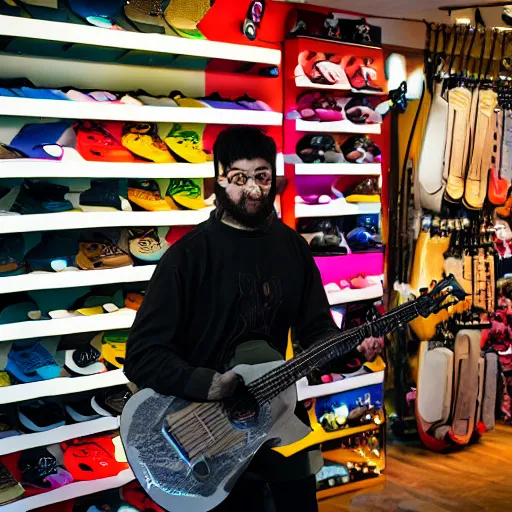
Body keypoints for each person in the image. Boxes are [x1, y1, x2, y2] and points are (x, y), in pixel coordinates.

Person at [124, 126, 383, 511]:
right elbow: (141, 355)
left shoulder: (293, 248)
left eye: (262, 177)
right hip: (208, 435)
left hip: (279, 421)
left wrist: (351, 351)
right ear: (220, 179)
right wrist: (208, 384)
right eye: (239, 178)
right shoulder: (187, 258)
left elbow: (316, 332)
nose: (253, 190)